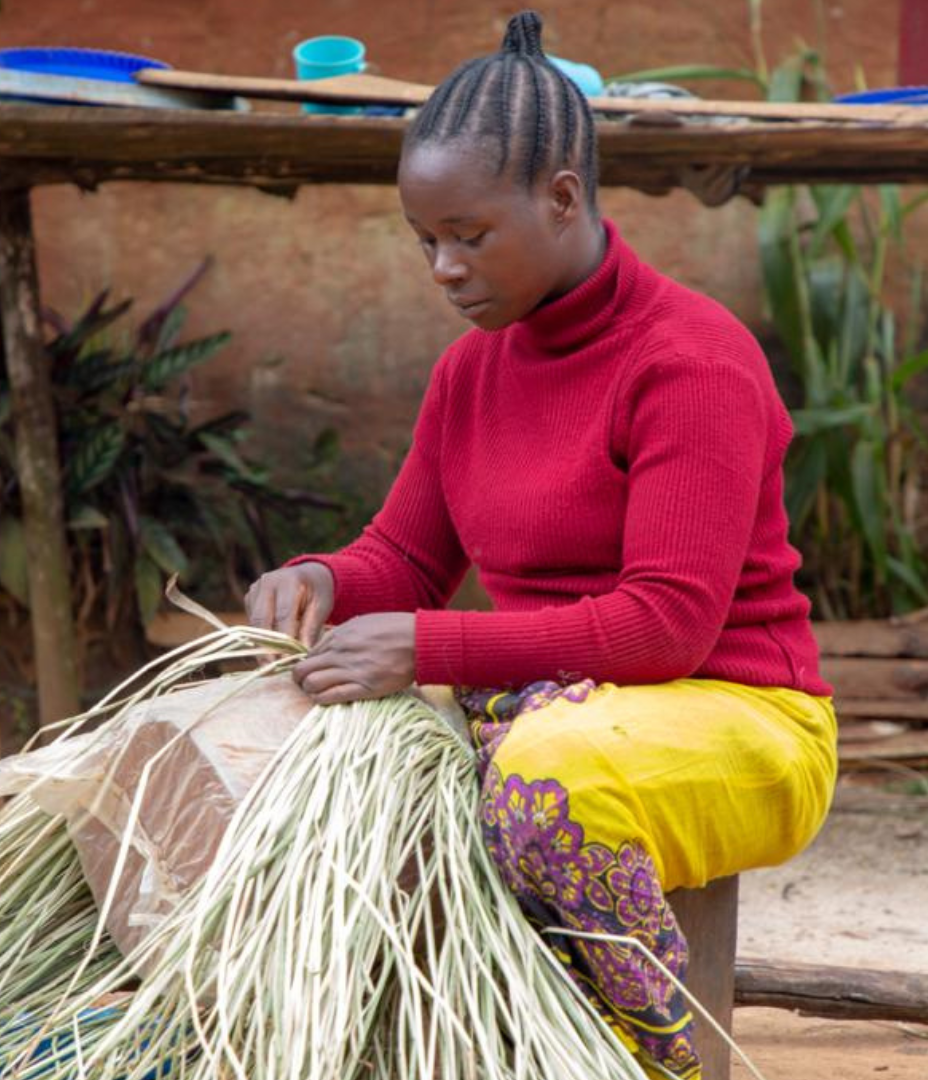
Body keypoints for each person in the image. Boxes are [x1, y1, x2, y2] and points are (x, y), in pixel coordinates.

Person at [246, 10, 837, 1078]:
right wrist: (320, 579)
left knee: (545, 783)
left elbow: (665, 629)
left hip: (746, 719)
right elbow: (407, 558)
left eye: (469, 235)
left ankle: (640, 1062)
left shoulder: (689, 360)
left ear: (563, 198)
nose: (442, 267)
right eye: (425, 240)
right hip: (558, 710)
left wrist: (427, 649)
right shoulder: (471, 372)